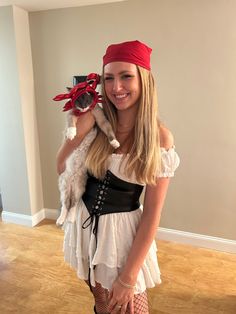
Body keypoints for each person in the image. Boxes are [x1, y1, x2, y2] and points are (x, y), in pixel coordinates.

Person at [56, 40, 180, 314]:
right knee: (101, 302)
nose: (116, 87)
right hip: (86, 230)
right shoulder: (96, 125)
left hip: (123, 238)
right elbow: (61, 167)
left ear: (144, 81)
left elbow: (152, 214)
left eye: (126, 76)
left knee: (129, 308)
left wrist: (128, 275)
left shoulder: (159, 138)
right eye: (108, 78)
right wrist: (80, 129)